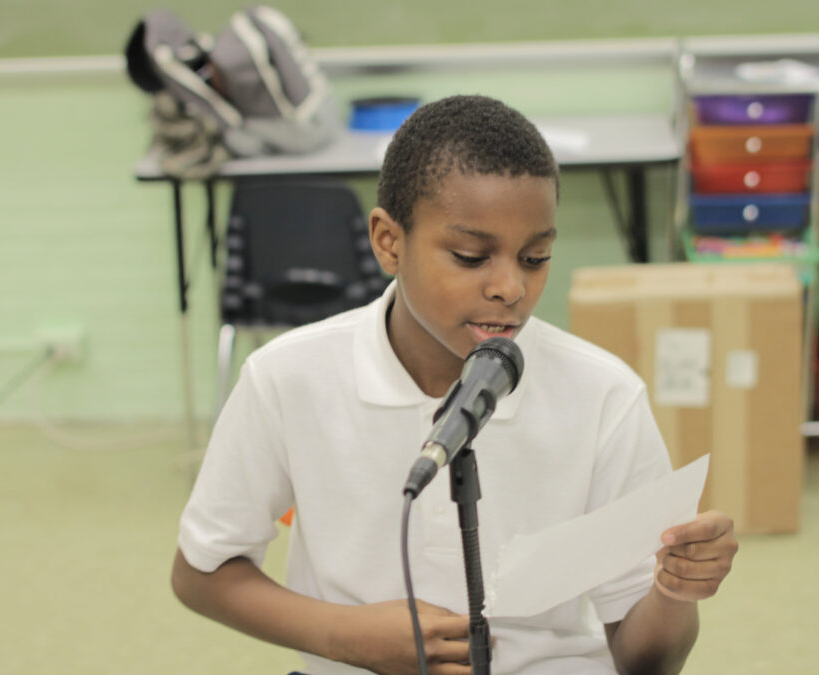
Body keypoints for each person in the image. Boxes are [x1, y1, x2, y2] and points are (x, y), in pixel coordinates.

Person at [172, 94, 738, 675]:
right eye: (471, 257)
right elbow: (202, 571)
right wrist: (346, 636)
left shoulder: (603, 396)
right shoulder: (288, 377)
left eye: (536, 256)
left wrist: (675, 589)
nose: (510, 287)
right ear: (389, 242)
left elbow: (646, 662)